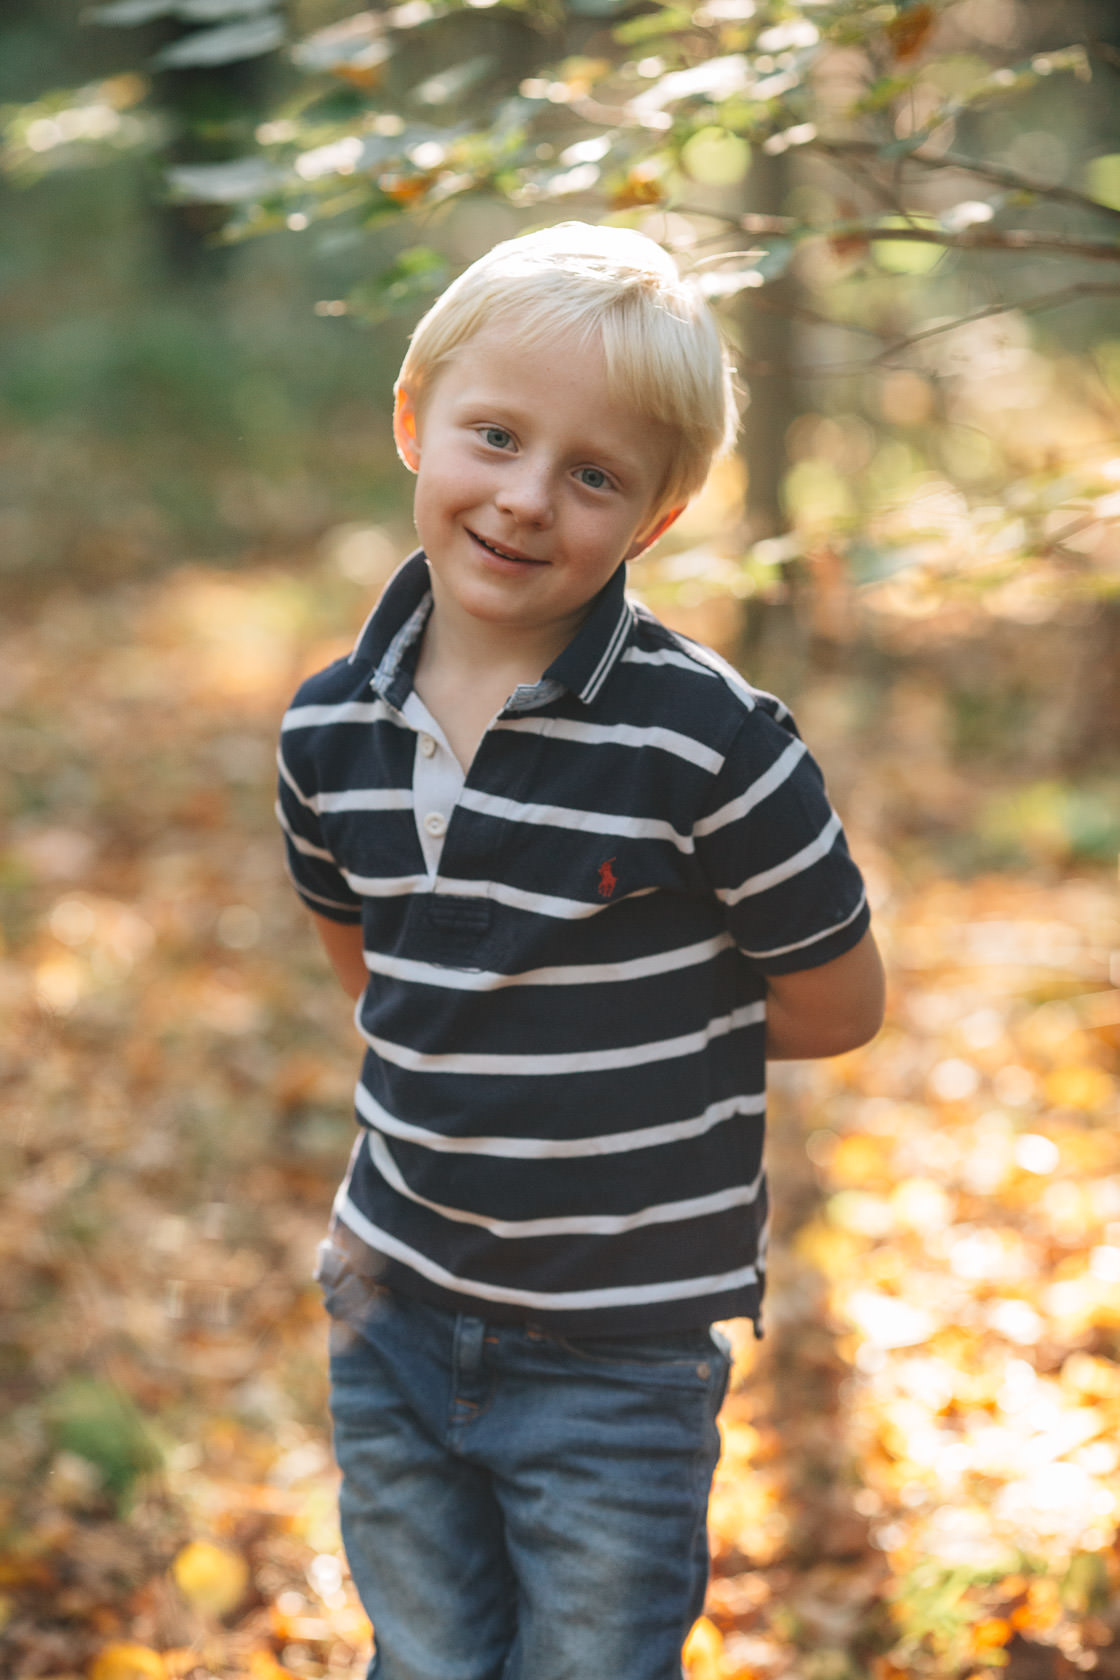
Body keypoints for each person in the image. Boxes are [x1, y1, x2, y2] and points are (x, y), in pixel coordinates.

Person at [276, 221, 884, 1680]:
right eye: (496, 435)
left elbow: (837, 1001)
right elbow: (386, 981)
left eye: (594, 474)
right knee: (423, 1658)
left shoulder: (708, 743)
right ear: (417, 422)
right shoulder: (328, 728)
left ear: (654, 518)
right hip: (396, 1307)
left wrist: (645, 1040)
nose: (527, 499)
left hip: (618, 1353)